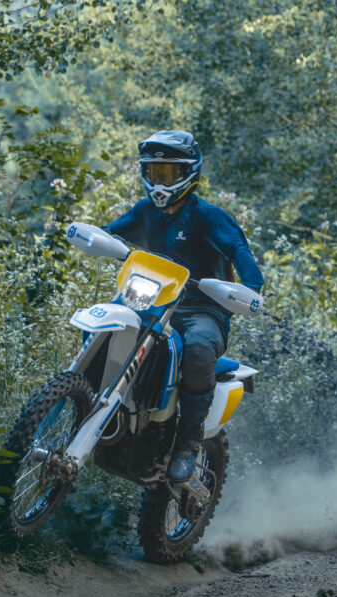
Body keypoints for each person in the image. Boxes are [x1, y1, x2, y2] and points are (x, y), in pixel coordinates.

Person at [104, 130, 264, 485]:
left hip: (202, 311)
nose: (160, 183)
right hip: (151, 301)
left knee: (198, 348)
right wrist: (95, 238)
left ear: (189, 173)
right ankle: (87, 399)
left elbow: (241, 254)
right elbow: (112, 232)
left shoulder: (209, 216)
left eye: (169, 174)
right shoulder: (146, 211)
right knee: (110, 326)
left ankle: (188, 441)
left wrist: (249, 291)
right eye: (154, 173)